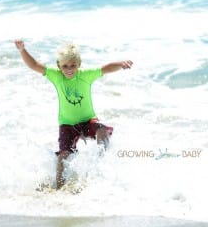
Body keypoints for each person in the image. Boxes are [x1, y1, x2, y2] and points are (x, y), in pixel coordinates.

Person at [14, 40, 133, 189]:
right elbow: (34, 65)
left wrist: (120, 64)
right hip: (67, 125)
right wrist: (22, 50)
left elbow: (105, 68)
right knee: (63, 156)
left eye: (73, 65)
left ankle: (100, 165)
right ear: (59, 66)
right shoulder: (56, 76)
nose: (69, 69)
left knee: (102, 131)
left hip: (88, 120)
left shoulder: (86, 75)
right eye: (65, 66)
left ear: (79, 64)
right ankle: (59, 187)